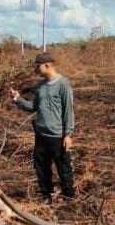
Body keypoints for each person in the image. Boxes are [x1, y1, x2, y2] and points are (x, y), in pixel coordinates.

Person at [9, 53, 75, 204]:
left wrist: (68, 134)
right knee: (41, 168)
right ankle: (47, 196)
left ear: (47, 65)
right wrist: (18, 99)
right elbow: (34, 107)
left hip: (58, 136)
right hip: (41, 135)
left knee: (64, 169)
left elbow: (68, 111)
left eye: (38, 66)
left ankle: (68, 198)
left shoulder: (63, 84)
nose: (36, 70)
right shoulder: (40, 87)